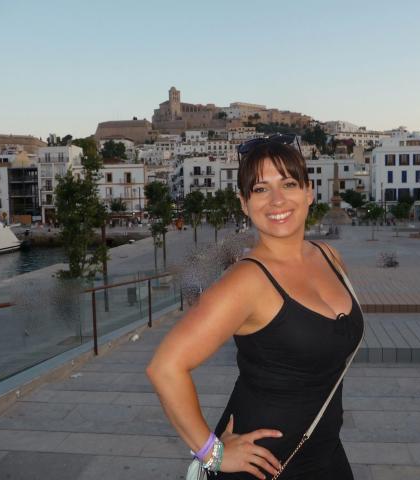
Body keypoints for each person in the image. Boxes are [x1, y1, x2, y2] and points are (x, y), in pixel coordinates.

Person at [146, 136, 364, 479]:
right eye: (261, 189)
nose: (277, 199)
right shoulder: (246, 281)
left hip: (326, 452)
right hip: (264, 466)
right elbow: (165, 368)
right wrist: (212, 454)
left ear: (309, 191)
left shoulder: (328, 256)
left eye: (288, 184)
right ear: (244, 204)